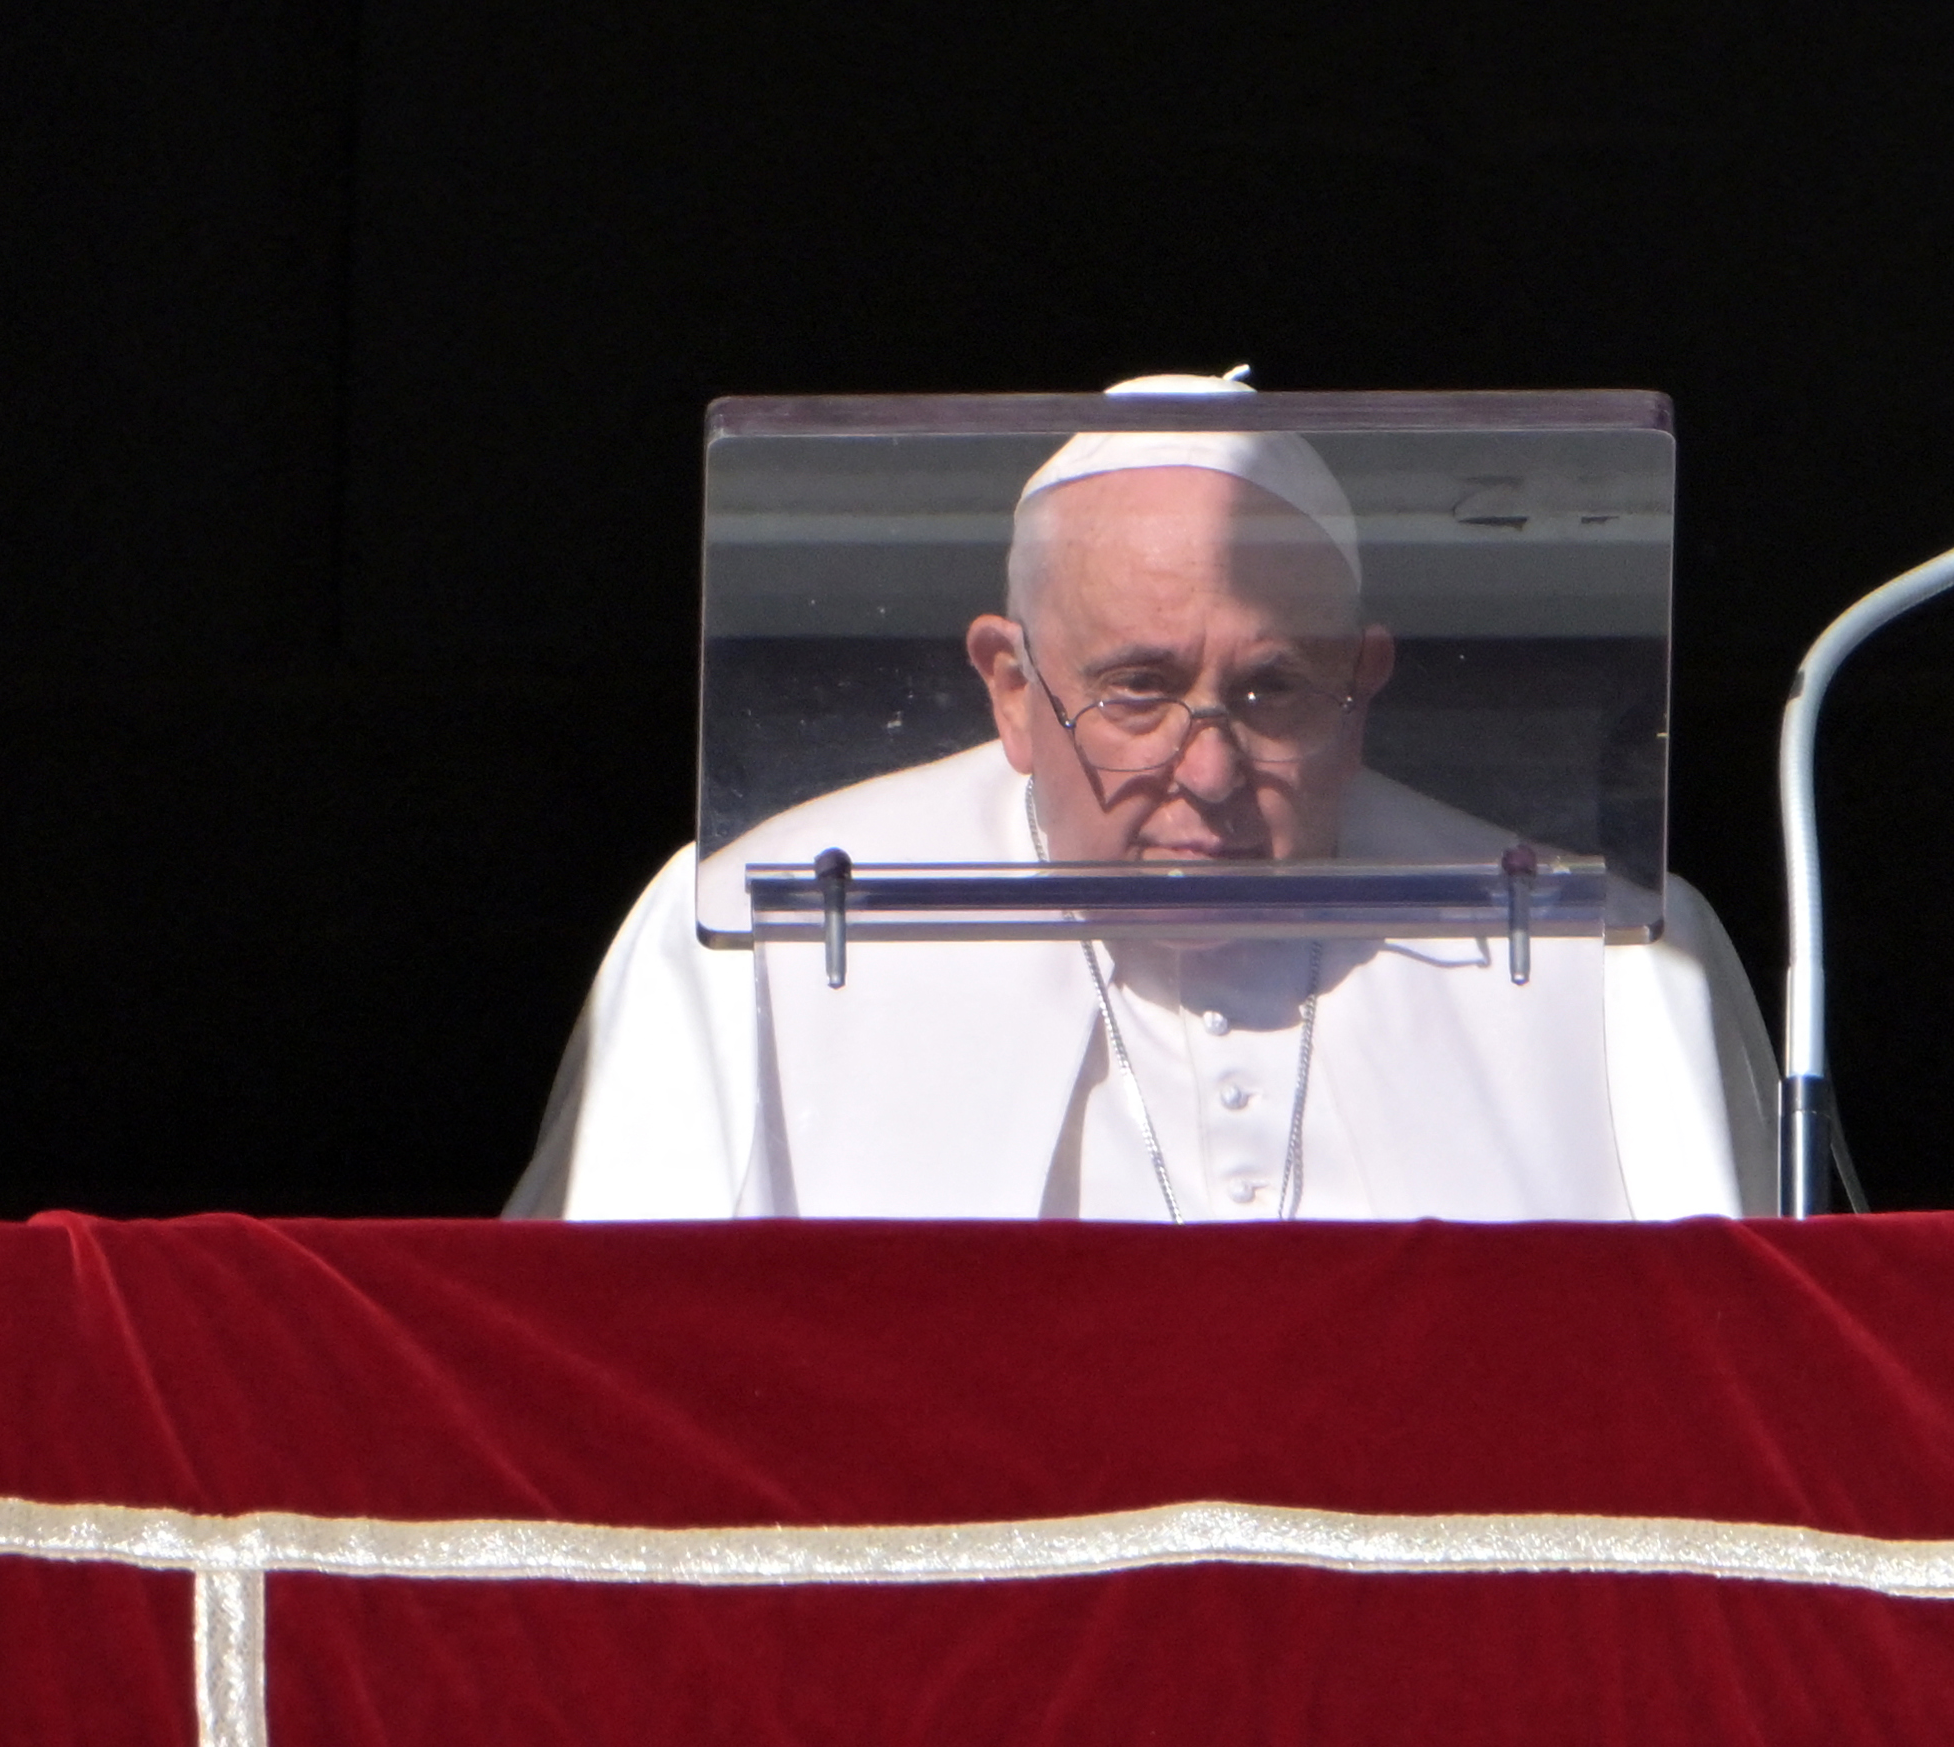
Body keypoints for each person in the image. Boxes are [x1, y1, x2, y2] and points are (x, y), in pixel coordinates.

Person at [511, 383, 1776, 1220]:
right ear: (1010, 685)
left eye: (1274, 692)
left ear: (1365, 680)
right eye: (1138, 691)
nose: (1209, 772)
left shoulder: (1606, 961)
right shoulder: (754, 929)